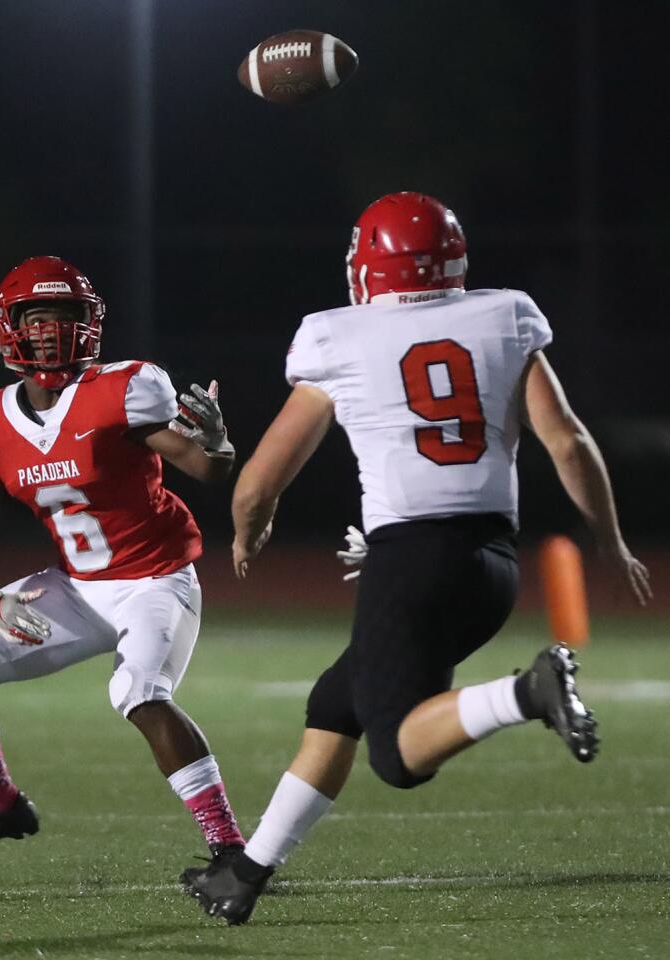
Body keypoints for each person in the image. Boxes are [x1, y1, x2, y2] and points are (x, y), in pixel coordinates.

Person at [180, 191, 652, 924]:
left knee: (398, 760)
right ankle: (243, 873)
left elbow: (261, 478)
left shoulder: (335, 337)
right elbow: (568, 442)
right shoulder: (503, 316)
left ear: (368, 264)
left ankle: (528, 693)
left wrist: (250, 529)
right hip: (491, 563)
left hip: (409, 560)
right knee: (335, 704)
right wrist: (612, 539)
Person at [0, 255, 246, 863]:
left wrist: (217, 440)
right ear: (8, 327)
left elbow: (204, 468)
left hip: (155, 580)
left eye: (61, 316)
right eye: (36, 317)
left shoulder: (119, 390)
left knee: (138, 689)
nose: (48, 330)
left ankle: (230, 849)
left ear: (88, 323)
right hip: (79, 587)